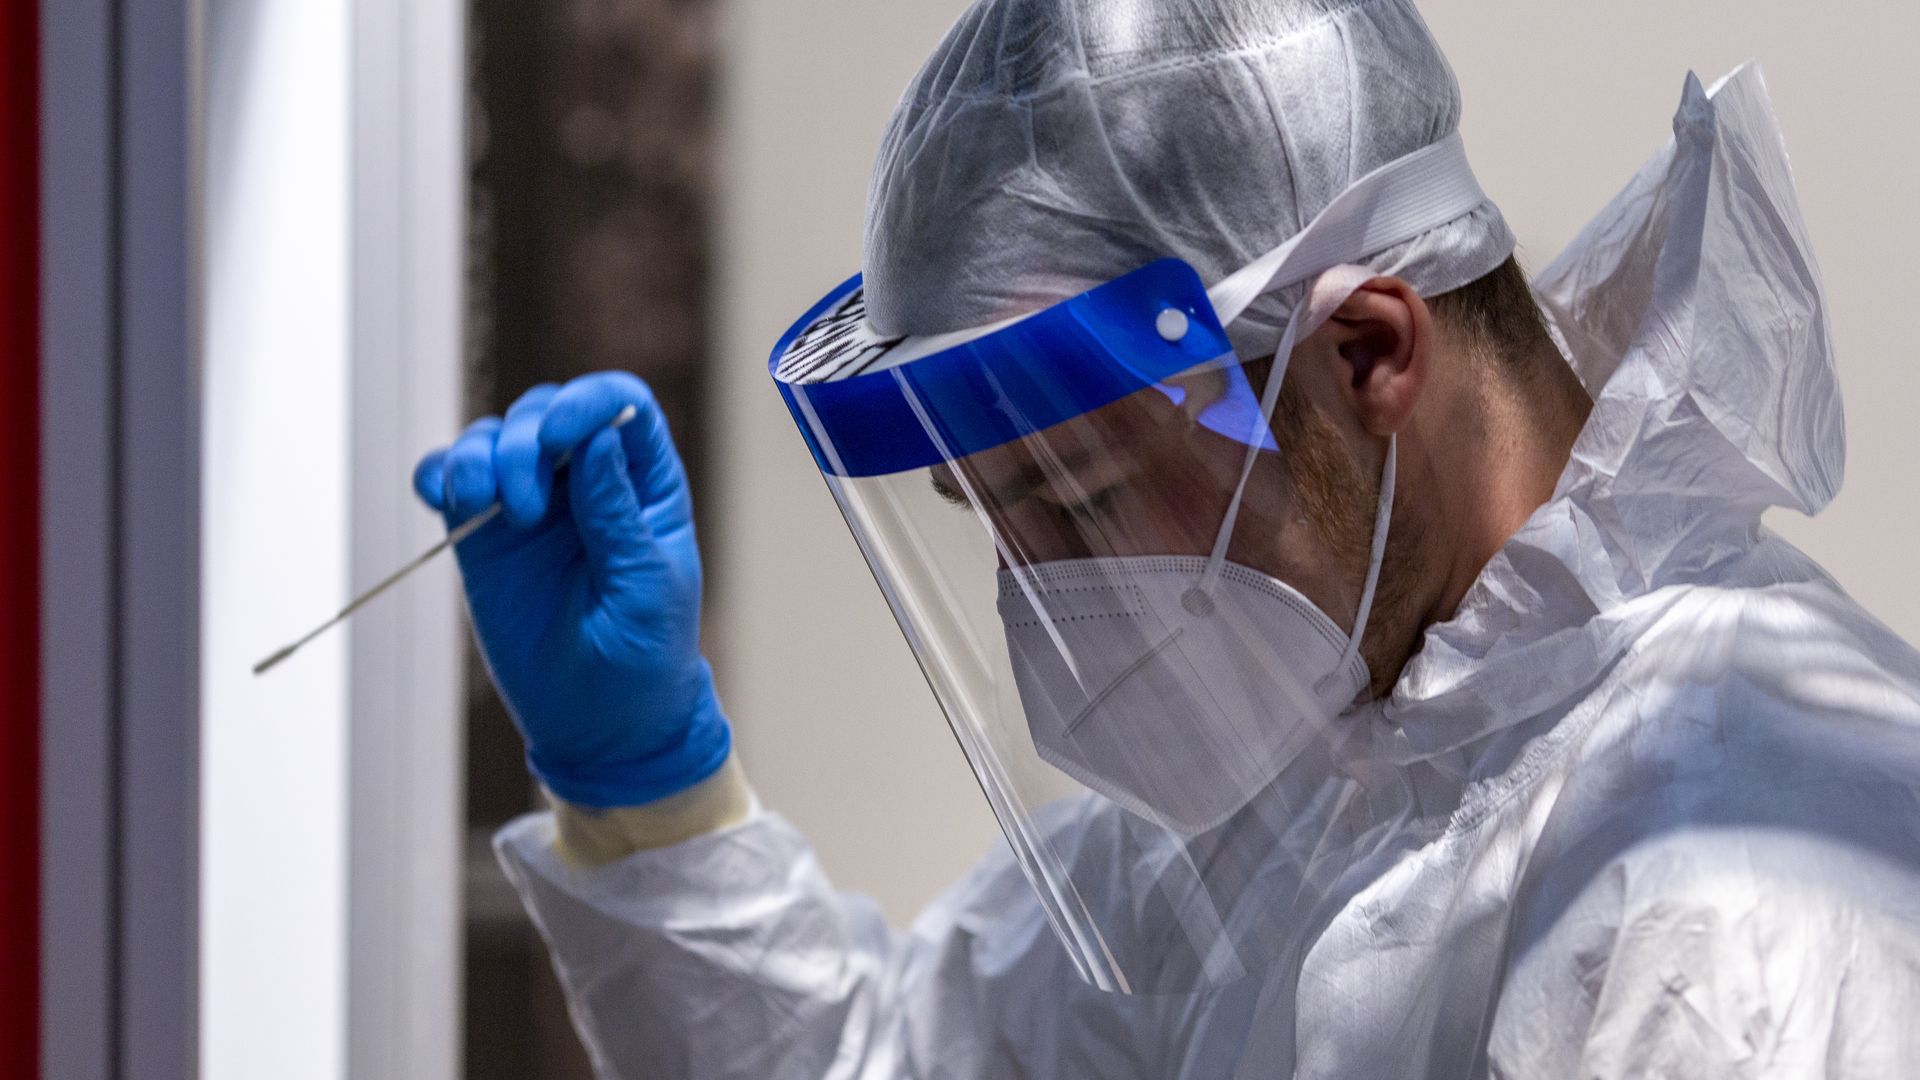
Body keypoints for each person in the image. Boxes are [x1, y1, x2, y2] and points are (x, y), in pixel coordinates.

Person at [413, 1, 1920, 1075]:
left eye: (1072, 499)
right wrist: (652, 792)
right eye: (988, 520)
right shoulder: (1317, 792)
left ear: (1366, 358)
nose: (1043, 598)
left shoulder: (1723, 877)